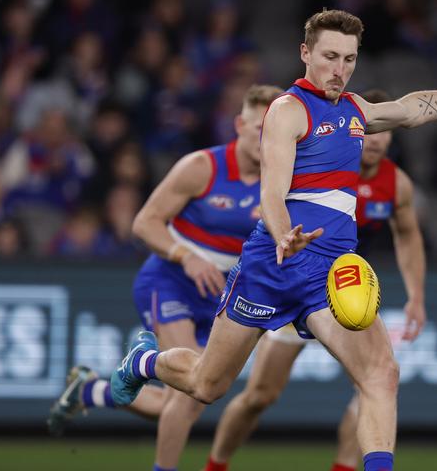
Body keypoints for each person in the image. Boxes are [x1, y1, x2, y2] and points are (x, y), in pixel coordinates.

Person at [110, 9, 437, 471]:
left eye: (349, 59)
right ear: (306, 53)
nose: (340, 69)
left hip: (330, 270)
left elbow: (411, 108)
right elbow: (271, 190)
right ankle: (144, 362)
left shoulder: (355, 110)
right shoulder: (287, 111)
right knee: (205, 385)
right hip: (271, 265)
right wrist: (282, 234)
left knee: (382, 374)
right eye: (330, 57)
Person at [47, 84, 283, 471]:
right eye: (257, 127)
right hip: (171, 279)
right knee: (188, 397)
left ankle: (92, 391)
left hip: (224, 295)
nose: (264, 138)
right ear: (239, 124)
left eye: (272, 130)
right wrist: (186, 256)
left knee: (196, 391)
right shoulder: (201, 168)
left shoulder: (280, 180)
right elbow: (144, 223)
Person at [203, 88, 427, 471]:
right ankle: (217, 463)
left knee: (374, 381)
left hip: (345, 287)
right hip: (290, 275)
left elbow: (407, 235)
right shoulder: (323, 157)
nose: (374, 142)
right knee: (257, 394)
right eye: (368, 133)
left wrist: (416, 295)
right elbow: (271, 191)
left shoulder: (396, 184)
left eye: (382, 134)